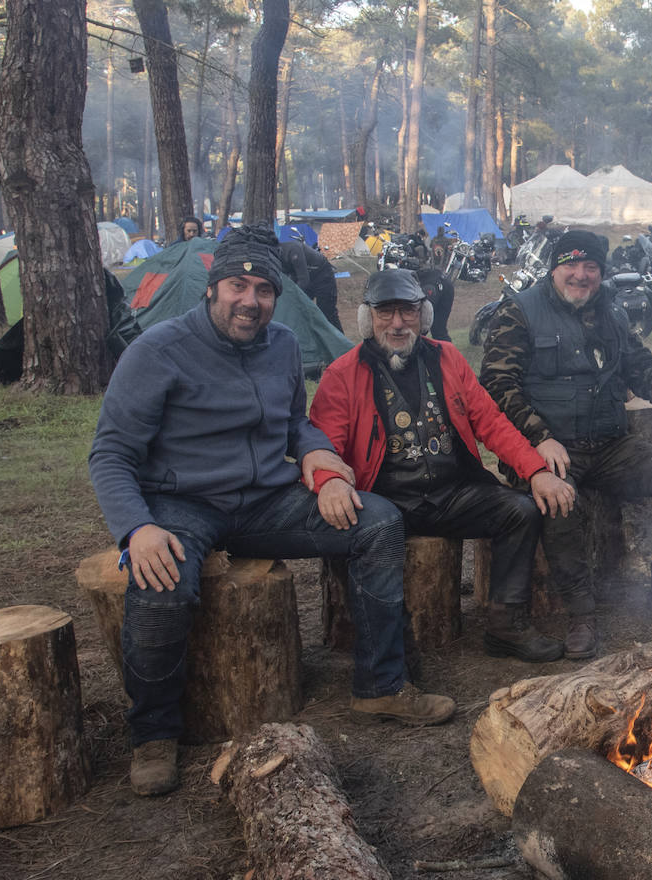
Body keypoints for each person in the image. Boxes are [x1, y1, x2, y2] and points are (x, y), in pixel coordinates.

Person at [89, 224, 455, 799]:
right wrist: (136, 528)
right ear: (212, 288)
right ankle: (153, 734)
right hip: (182, 504)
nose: (251, 301)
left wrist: (326, 469)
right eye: (238, 286)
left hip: (265, 500)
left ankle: (381, 683)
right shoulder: (156, 351)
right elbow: (110, 453)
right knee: (161, 583)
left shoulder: (282, 343)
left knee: (378, 522)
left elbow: (296, 425)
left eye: (264, 291)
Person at [309, 270, 575, 663]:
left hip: (452, 493)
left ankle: (506, 624)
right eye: (386, 313)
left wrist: (536, 471)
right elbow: (322, 444)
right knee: (371, 538)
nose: (398, 323)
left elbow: (490, 421)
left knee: (519, 511)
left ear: (425, 315)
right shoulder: (341, 375)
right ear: (368, 319)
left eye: (408, 312)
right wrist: (330, 480)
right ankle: (392, 649)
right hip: (385, 502)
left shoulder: (448, 358)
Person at [480, 229, 652, 660]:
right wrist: (539, 438)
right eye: (571, 265)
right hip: (549, 452)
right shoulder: (519, 312)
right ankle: (581, 613)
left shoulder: (608, 311)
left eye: (591, 266)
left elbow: (636, 362)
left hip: (608, 446)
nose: (581, 275)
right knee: (559, 497)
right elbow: (497, 386)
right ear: (555, 268)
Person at [280, 234, 342, 330]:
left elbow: (304, 280)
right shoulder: (274, 258)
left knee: (327, 312)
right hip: (306, 276)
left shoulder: (293, 250)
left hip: (322, 273)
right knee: (299, 310)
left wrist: (291, 296)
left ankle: (340, 343)